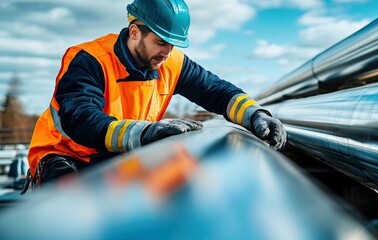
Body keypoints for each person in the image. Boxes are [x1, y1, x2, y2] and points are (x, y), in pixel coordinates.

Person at [22, 0, 287, 193]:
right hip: (66, 155)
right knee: (68, 204)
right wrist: (146, 133)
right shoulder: (89, 61)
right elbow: (81, 120)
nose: (167, 53)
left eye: (173, 45)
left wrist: (255, 114)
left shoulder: (169, 63)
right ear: (135, 32)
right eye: (161, 42)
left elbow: (217, 92)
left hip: (120, 149)